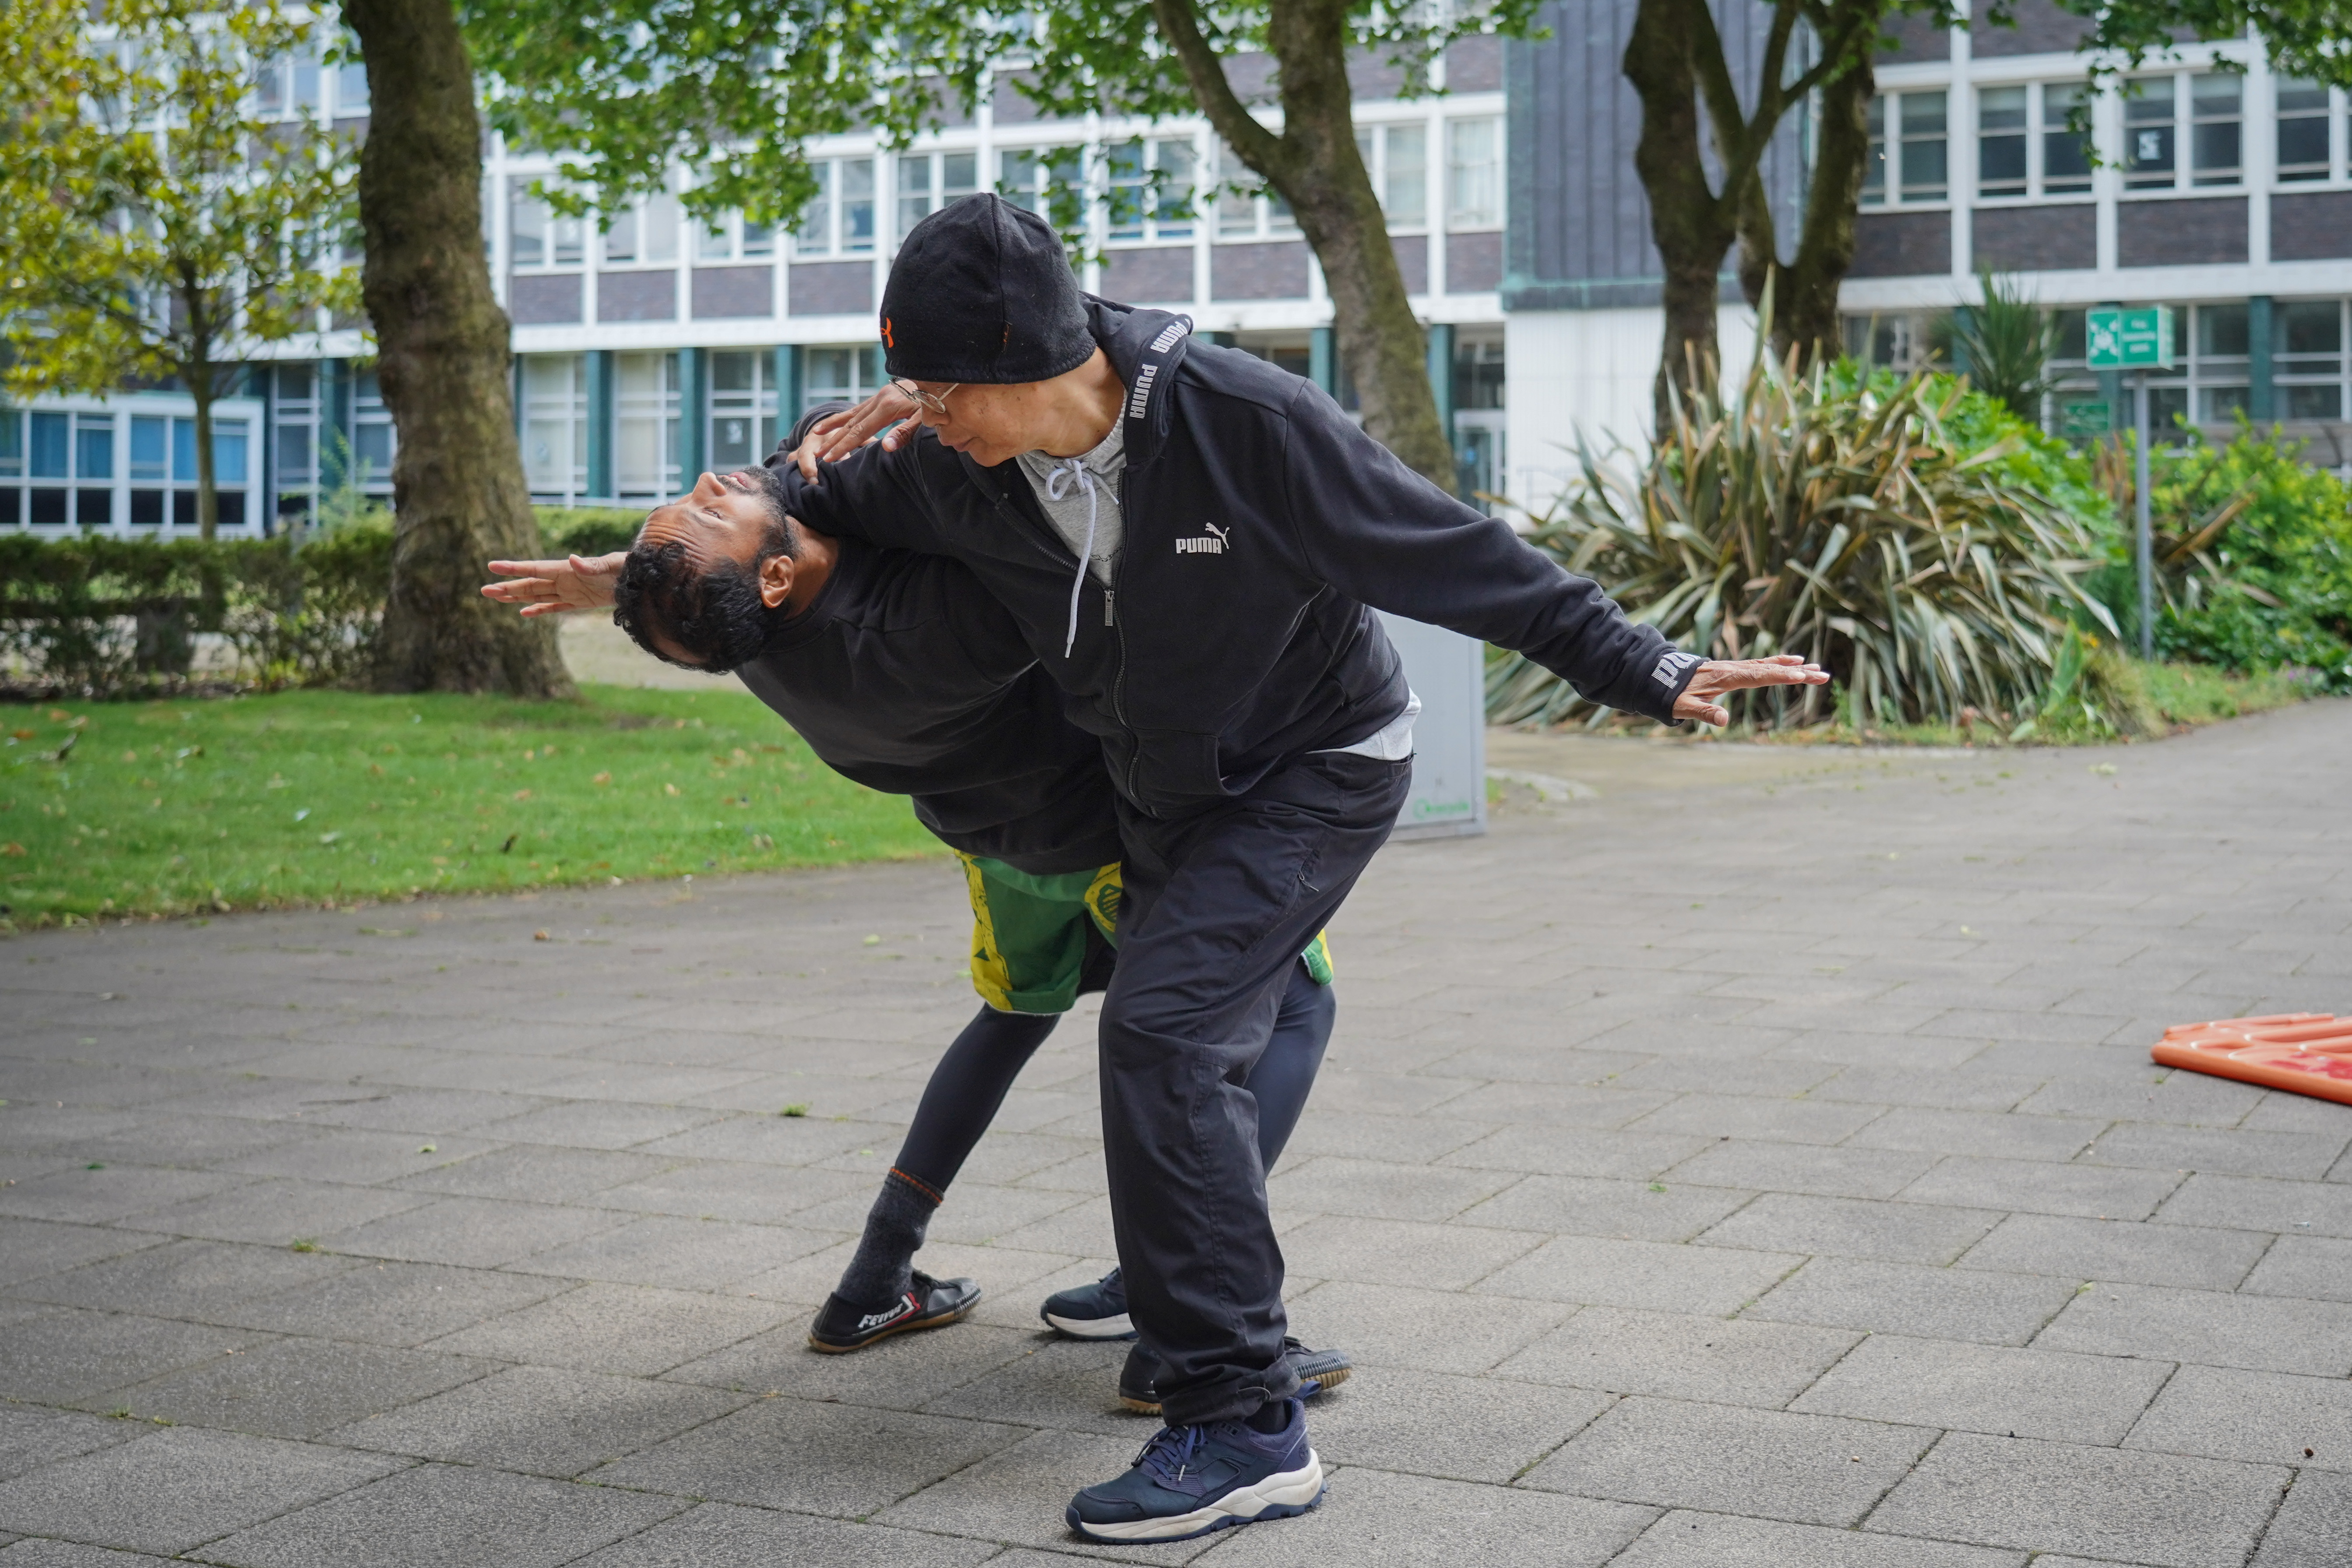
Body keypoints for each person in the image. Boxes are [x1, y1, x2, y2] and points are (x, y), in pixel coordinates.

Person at [660, 192, 1824, 1547]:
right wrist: (643, 554)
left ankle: (1244, 1424)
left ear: (1031, 361)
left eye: (938, 384)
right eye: (905, 384)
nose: (920, 410)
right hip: (1165, 784)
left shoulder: (1246, 427)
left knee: (1162, 1033)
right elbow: (772, 522)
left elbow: (1462, 557)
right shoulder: (936, 456)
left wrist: (1649, 665)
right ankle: (1183, 1317)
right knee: (1184, 1040)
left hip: (1316, 760)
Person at [479, 423, 1351, 1414]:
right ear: (769, 579)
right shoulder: (939, 623)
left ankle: (874, 1280)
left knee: (1016, 1016)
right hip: (1113, 831)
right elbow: (1056, 534)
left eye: (690, 504)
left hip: (995, 843)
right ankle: (1182, 1323)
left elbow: (798, 478)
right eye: (707, 511)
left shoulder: (744, 634)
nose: (716, 483)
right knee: (1293, 1011)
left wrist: (624, 576)